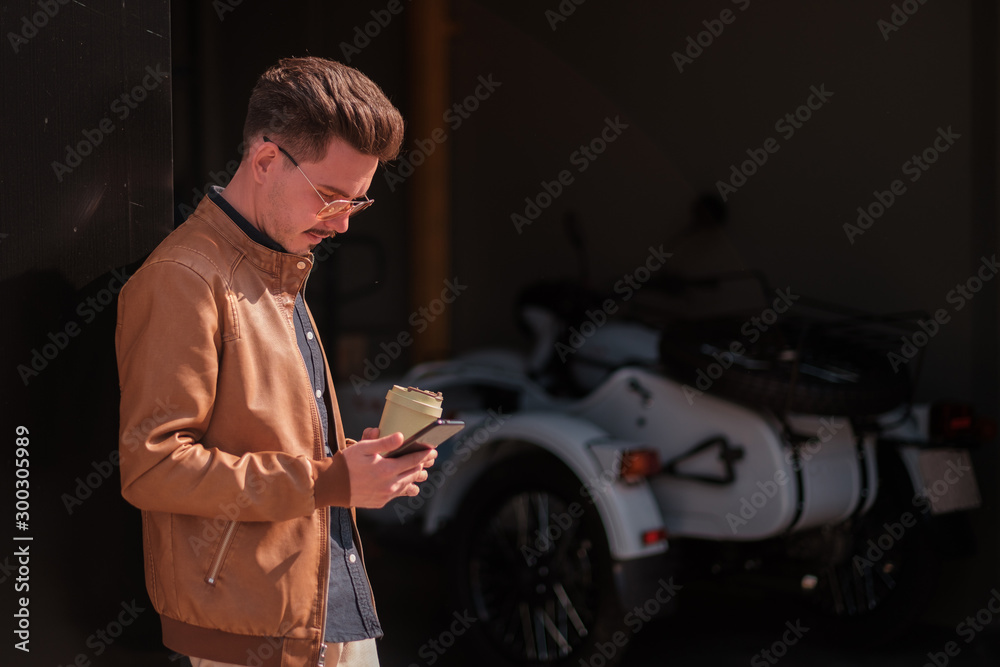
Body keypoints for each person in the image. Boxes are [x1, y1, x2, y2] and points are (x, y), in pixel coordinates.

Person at [116, 56, 435, 667]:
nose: (343, 224)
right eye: (331, 197)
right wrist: (328, 480)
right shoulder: (183, 279)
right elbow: (153, 467)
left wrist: (357, 464)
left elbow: (266, 439)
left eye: (357, 203)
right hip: (249, 635)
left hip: (325, 611)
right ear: (265, 161)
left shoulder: (275, 266)